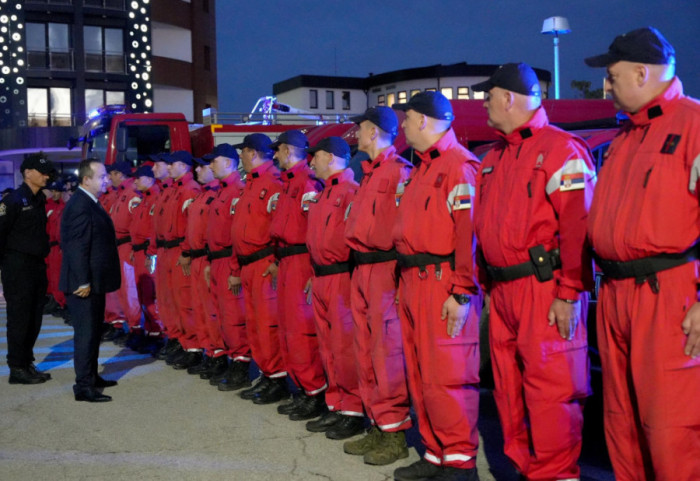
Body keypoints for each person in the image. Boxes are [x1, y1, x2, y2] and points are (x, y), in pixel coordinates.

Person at [585, 27, 700, 481]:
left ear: (640, 71)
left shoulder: (693, 124)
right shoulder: (625, 138)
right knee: (622, 420)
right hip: (616, 295)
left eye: (612, 77)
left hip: (667, 295)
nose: (605, 87)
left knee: (670, 425)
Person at [471, 64, 595, 481]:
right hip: (503, 292)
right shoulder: (494, 158)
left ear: (509, 97)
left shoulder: (561, 149)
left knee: (550, 391)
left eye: (488, 96)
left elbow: (578, 228)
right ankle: (528, 471)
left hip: (543, 290)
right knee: (508, 390)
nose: (484, 103)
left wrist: (568, 293)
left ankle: (556, 473)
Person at [391, 92, 482, 481]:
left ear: (425, 121)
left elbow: (469, 236)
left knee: (448, 374)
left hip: (443, 283)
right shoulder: (423, 168)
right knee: (421, 374)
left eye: (407, 119)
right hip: (414, 281)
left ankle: (460, 462)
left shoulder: (459, 166)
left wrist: (461, 291)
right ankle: (436, 454)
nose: (403, 127)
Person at [344, 106, 413, 466]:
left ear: (375, 132)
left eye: (361, 127)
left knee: (387, 354)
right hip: (362, 270)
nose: (356, 134)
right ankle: (377, 423)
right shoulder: (370, 174)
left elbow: (404, 228)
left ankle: (394, 433)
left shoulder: (399, 172)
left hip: (385, 271)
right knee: (366, 350)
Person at [305, 136, 365, 439]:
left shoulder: (351, 193)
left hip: (342, 278)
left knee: (343, 347)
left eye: (315, 156)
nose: (311, 162)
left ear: (330, 158)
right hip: (321, 277)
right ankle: (336, 404)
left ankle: (353, 409)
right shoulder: (322, 194)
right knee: (327, 346)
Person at [269, 130, 327, 421]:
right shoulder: (288, 184)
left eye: (278, 151)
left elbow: (315, 231)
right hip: (288, 261)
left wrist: (313, 269)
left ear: (289, 151)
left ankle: (314, 392)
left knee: (303, 332)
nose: (275, 156)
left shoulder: (308, 184)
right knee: (289, 329)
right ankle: (303, 389)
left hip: (302, 261)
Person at [227, 134, 287, 404]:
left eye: (243, 152)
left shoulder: (273, 183)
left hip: (264, 263)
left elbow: (281, 225)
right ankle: (266, 373)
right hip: (249, 264)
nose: (241, 157)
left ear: (252, 153)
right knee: (255, 324)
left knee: (267, 325)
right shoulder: (251, 184)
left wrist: (276, 261)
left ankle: (277, 378)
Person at [60, 159, 121, 402]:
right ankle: (83, 386)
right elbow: (76, 247)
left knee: (93, 332)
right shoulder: (80, 205)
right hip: (83, 284)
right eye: (102, 176)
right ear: (87, 180)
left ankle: (91, 376)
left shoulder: (90, 202)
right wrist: (83, 281)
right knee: (85, 334)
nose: (106, 180)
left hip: (94, 281)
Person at [0, 153, 55, 384]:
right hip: (17, 265)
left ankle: (26, 362)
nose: (46, 176)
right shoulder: (13, 200)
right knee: (20, 318)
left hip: (36, 266)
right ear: (27, 173)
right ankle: (17, 368)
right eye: (41, 172)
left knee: (34, 317)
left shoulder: (39, 199)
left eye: (47, 172)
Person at [204, 144, 250, 390]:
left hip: (230, 261)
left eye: (215, 161)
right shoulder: (222, 191)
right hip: (218, 260)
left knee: (234, 316)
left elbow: (237, 235)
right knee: (221, 315)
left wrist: (234, 269)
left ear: (230, 163)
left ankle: (241, 366)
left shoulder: (237, 191)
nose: (211, 165)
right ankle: (231, 360)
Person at [160, 150, 202, 369]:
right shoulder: (174, 189)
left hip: (179, 250)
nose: (168, 167)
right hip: (169, 250)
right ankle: (181, 341)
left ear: (184, 166)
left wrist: (186, 251)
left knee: (185, 301)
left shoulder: (189, 190)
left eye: (172, 163)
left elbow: (189, 227)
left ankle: (193, 347)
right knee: (172, 300)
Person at [181, 155, 220, 374]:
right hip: (196, 257)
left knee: (212, 310)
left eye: (202, 166)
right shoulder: (202, 195)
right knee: (199, 309)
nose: (197, 170)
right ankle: (207, 351)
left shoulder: (213, 194)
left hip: (207, 258)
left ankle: (217, 354)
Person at [107, 161, 143, 345]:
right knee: (121, 290)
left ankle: (136, 329)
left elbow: (137, 225)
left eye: (112, 174)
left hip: (127, 247)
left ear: (121, 174)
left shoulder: (131, 196)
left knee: (129, 291)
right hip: (119, 247)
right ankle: (129, 326)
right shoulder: (121, 194)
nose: (109, 178)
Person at [128, 164, 163, 353]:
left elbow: (154, 229)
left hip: (149, 252)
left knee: (152, 294)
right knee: (143, 294)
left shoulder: (155, 198)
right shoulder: (144, 199)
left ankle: (158, 334)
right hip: (140, 252)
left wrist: (151, 252)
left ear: (149, 179)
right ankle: (151, 332)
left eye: (138, 178)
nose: (135, 181)